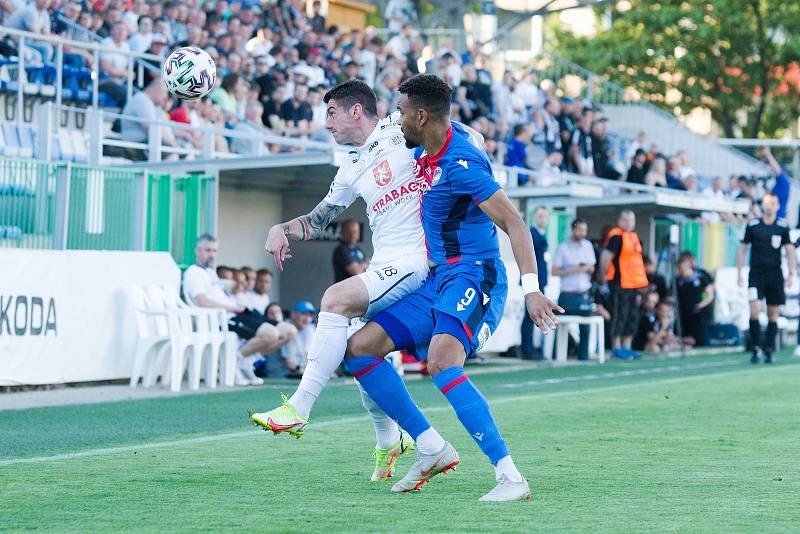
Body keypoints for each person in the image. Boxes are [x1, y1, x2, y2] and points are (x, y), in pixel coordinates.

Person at [341, 74, 562, 501]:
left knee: (443, 361)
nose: (396, 119)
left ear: (421, 116)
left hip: (475, 275)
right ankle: (430, 447)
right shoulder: (436, 142)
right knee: (361, 349)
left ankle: (510, 477)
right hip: (439, 277)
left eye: (402, 112)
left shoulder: (461, 164)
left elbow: (514, 222)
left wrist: (531, 288)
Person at [250, 80, 430, 481]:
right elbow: (319, 219)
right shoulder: (350, 165)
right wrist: (282, 227)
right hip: (386, 263)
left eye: (330, 113)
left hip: (416, 259)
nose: (325, 122)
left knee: (333, 298)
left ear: (355, 111)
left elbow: (463, 134)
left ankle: (299, 408)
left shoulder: (400, 131)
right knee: (361, 355)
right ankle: (390, 440)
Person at [182, 234, 296, 385]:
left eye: (214, 251)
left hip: (240, 312)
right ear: (198, 251)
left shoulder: (210, 272)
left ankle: (245, 361)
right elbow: (202, 301)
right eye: (208, 250)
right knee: (271, 334)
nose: (212, 254)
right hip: (225, 318)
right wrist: (233, 307)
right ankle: (234, 363)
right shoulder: (193, 272)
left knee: (289, 331)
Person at [737, 192, 797, 363]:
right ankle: (755, 348)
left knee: (773, 314)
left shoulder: (782, 226)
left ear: (777, 206)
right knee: (754, 309)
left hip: (775, 275)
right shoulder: (753, 225)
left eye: (773, 203)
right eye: (767, 203)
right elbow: (742, 249)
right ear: (762, 205)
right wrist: (739, 272)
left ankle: (769, 349)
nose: (769, 206)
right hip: (755, 275)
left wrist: (791, 273)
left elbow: (790, 250)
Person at [601, 210, 649, 359]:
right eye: (625, 220)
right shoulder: (617, 238)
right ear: (620, 221)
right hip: (619, 283)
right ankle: (616, 347)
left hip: (634, 284)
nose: (628, 223)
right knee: (619, 315)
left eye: (631, 220)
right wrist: (603, 275)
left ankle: (627, 346)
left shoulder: (635, 238)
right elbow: (606, 257)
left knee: (632, 316)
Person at [551, 218, 597, 360]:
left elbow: (592, 268)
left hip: (583, 293)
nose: (582, 233)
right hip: (567, 295)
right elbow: (554, 271)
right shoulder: (563, 247)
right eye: (580, 230)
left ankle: (583, 357)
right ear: (573, 229)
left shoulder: (588, 246)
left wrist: (587, 268)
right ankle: (556, 355)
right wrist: (575, 269)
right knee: (559, 325)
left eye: (585, 230)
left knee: (586, 326)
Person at [520, 206, 549, 360]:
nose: (542, 219)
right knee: (529, 315)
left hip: (540, 279)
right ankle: (527, 349)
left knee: (533, 315)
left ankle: (530, 347)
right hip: (532, 281)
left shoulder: (541, 234)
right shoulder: (531, 233)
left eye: (544, 216)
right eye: (539, 216)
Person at [675, 251, 715, 347]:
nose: (680, 271)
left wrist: (701, 305)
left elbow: (710, 295)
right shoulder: (678, 280)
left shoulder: (700, 278)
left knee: (699, 340)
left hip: (698, 314)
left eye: (681, 268)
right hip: (682, 314)